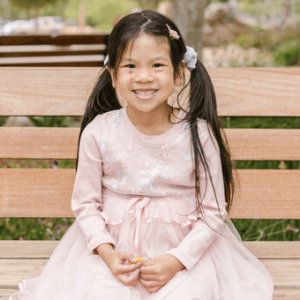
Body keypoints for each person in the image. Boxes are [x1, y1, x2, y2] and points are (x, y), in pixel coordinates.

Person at [10, 10, 273, 300]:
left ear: (178, 72)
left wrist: (176, 261)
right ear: (112, 74)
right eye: (131, 66)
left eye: (157, 64)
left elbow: (212, 211)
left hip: (185, 257)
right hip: (112, 256)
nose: (144, 77)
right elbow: (86, 204)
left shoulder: (198, 133)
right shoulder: (100, 132)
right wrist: (108, 254)